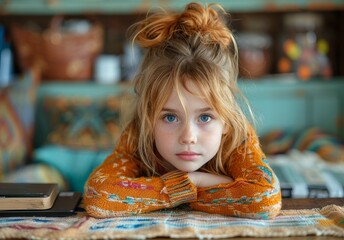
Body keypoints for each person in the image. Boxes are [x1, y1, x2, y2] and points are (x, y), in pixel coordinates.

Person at [84, 2, 282, 219]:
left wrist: (195, 182)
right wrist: (188, 186)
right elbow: (99, 195)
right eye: (170, 117)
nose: (188, 137)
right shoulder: (138, 136)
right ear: (149, 118)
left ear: (226, 119)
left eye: (205, 117)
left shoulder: (238, 139)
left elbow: (264, 198)